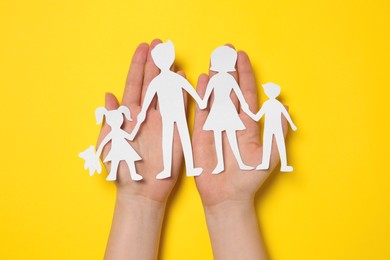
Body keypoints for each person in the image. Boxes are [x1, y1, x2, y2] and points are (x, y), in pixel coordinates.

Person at [98, 39, 291, 260]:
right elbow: (164, 95)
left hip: (182, 114)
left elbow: (191, 90)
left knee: (180, 136)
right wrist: (137, 199)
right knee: (174, 135)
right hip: (177, 115)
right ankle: (186, 165)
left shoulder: (184, 81)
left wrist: (231, 206)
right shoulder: (160, 82)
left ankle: (190, 164)